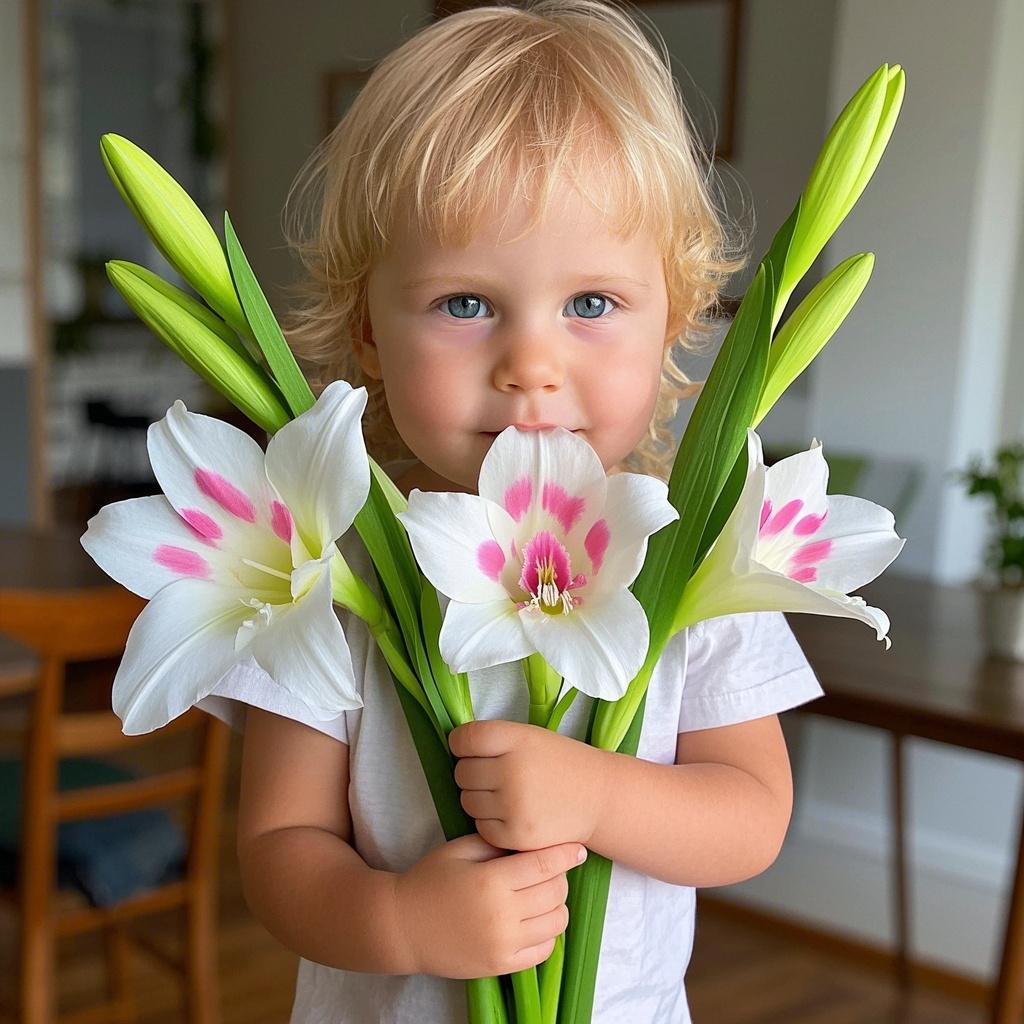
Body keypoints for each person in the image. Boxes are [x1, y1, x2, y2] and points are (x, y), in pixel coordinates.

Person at [197, 2, 825, 1020]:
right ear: (366, 331)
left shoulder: (693, 557)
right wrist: (400, 921)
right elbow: (278, 850)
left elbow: (751, 816)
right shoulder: (330, 565)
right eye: (465, 303)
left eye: (590, 304)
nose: (530, 364)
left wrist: (597, 795)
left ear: (672, 313)